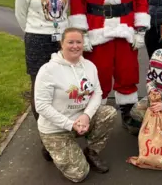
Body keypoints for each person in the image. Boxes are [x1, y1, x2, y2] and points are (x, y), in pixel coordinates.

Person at [69, 0, 150, 127]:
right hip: (97, 29)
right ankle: (97, 112)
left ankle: (128, 113)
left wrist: (140, 31)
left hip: (125, 29)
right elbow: (77, 1)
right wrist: (83, 34)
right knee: (99, 73)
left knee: (127, 71)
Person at [34, 27, 117, 183]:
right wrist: (70, 124)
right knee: (79, 174)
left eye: (78, 42)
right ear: (62, 43)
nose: (75, 46)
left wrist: (86, 116)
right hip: (57, 128)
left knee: (109, 113)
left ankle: (91, 152)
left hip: (80, 121)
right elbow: (41, 106)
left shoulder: (89, 66)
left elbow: (97, 93)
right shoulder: (48, 70)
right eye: (70, 42)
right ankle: (52, 147)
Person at [14, 0, 70, 160]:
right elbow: (20, 14)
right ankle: (46, 136)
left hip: (60, 41)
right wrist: (36, 31)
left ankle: (61, 130)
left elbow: (67, 12)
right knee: (40, 87)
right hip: (37, 39)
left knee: (61, 86)